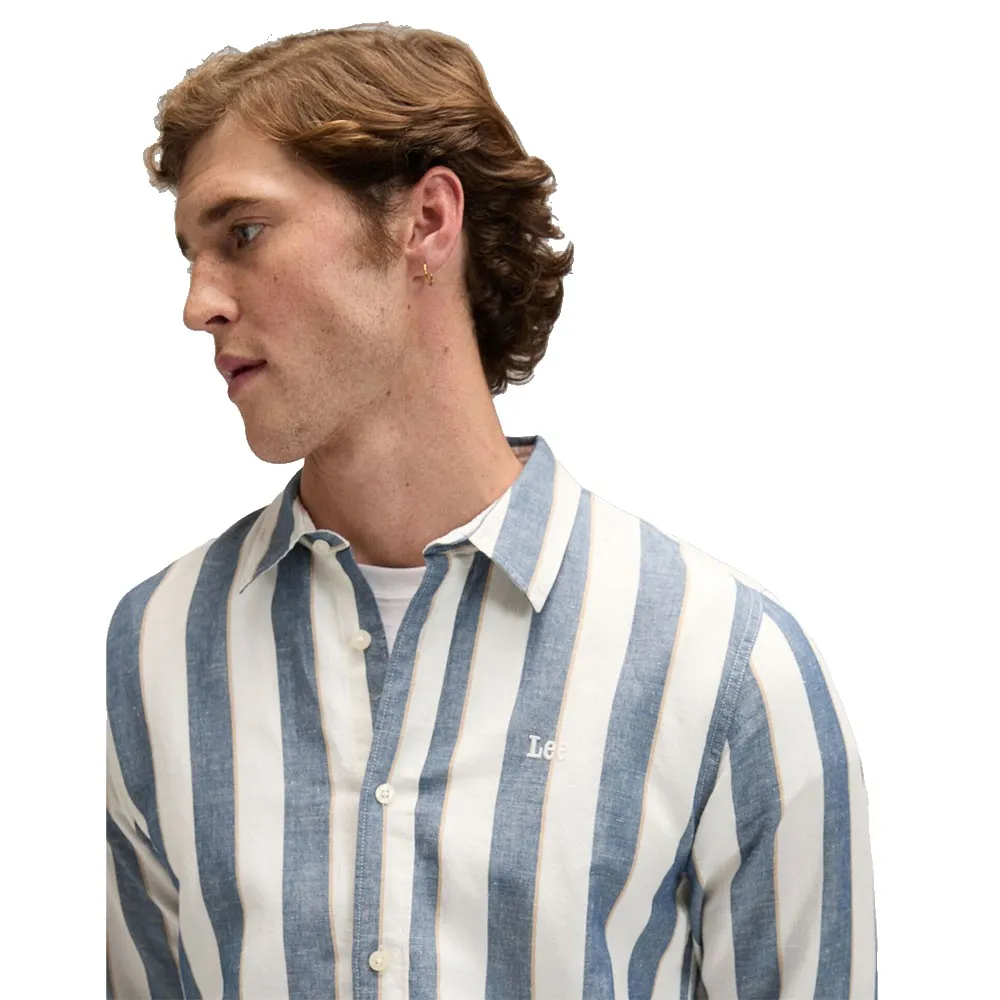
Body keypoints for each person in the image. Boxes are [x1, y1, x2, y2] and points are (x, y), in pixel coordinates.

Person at [106, 22, 877, 1000]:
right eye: (189, 255)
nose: (198, 304)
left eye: (244, 234)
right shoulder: (148, 655)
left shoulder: (726, 666)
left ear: (426, 220)